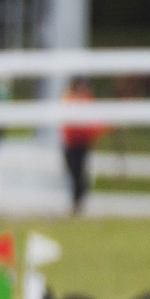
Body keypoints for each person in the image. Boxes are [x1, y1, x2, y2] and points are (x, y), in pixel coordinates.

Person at [59, 77, 110, 211]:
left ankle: (77, 205)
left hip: (82, 144)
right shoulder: (70, 99)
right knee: (76, 174)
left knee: (79, 176)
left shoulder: (86, 100)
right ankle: (76, 204)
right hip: (71, 144)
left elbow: (94, 122)